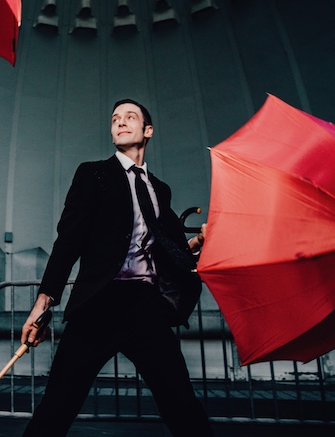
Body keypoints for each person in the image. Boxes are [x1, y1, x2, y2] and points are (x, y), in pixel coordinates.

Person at [21, 98, 212, 436]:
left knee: (182, 403)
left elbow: (170, 248)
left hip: (144, 307)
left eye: (130, 117)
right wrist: (44, 301)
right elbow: (68, 240)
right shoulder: (93, 174)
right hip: (97, 304)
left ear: (147, 130)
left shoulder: (160, 190)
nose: (120, 122)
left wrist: (199, 242)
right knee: (58, 405)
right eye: (115, 119)